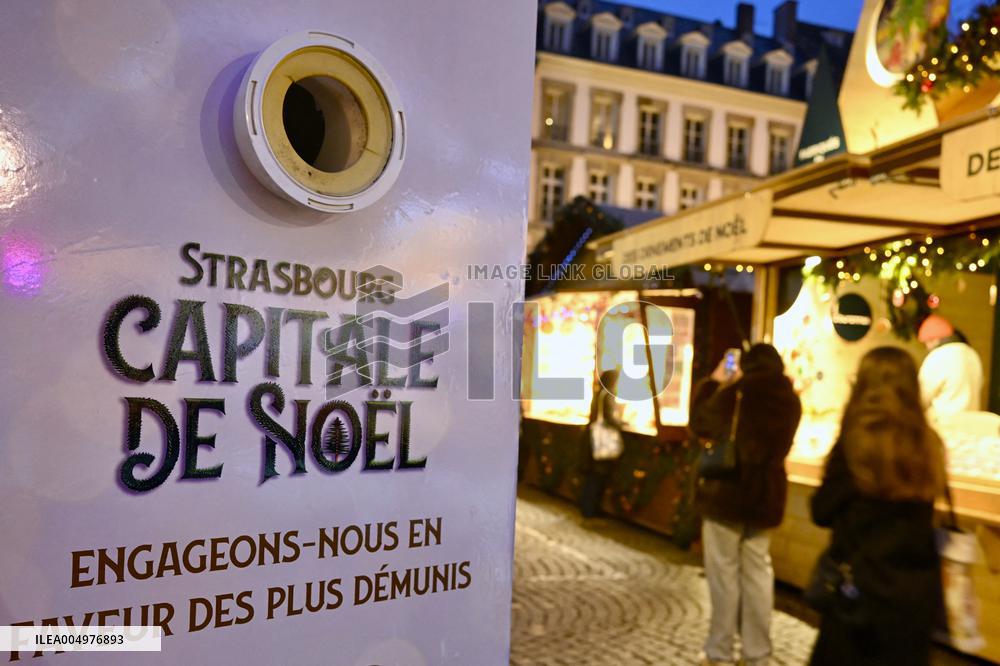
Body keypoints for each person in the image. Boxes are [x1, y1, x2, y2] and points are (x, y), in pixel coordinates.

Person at [809, 346, 947, 666]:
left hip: (858, 600)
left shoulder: (855, 444)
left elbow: (821, 511)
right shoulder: (928, 444)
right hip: (913, 605)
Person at [690, 344, 802, 666]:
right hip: (765, 497)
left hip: (727, 494)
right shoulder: (790, 400)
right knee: (758, 575)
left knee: (723, 574)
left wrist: (714, 384)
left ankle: (720, 650)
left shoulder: (737, 392)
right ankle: (758, 653)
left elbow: (700, 423)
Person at [917, 314, 983, 422]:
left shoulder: (937, 356)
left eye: (926, 343)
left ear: (933, 340)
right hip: (971, 422)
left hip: (944, 423)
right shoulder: (972, 354)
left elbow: (922, 395)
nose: (927, 348)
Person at [579, 369, 622, 519]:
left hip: (593, 439)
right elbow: (609, 417)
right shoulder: (608, 394)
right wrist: (621, 424)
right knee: (598, 476)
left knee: (592, 475)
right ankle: (591, 509)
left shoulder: (599, 393)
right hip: (601, 441)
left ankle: (586, 507)